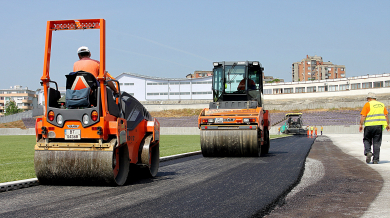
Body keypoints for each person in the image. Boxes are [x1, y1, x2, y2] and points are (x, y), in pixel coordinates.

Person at [359, 92, 390, 164]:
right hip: (379, 126)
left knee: (367, 140)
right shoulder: (382, 105)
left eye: (367, 99)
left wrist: (361, 124)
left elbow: (363, 115)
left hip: (369, 126)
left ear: (369, 98)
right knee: (377, 143)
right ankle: (375, 159)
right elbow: (385, 115)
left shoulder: (368, 104)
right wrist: (387, 125)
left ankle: (368, 152)